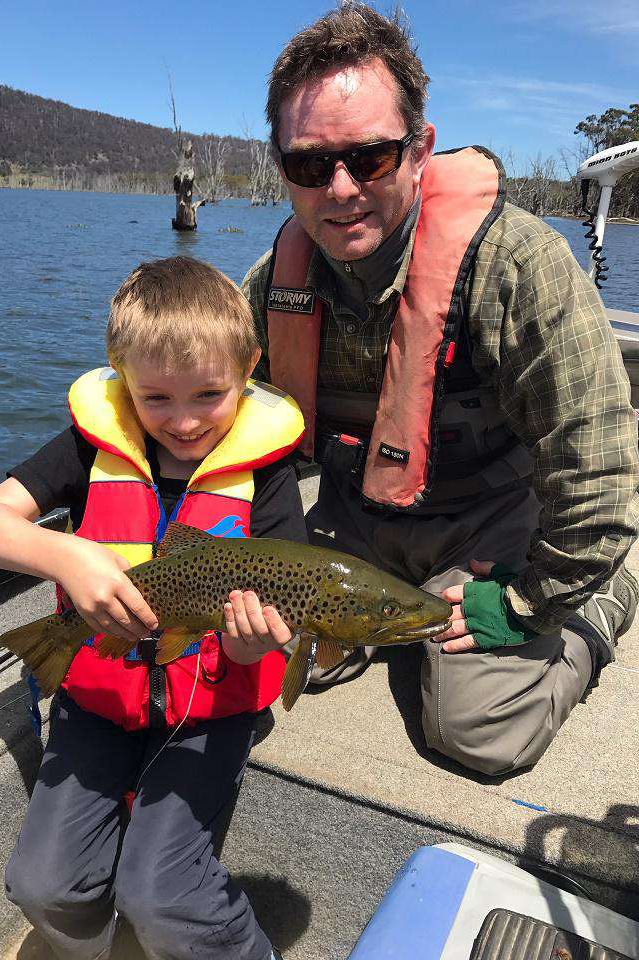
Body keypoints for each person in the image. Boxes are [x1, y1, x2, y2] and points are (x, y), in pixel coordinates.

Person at [241, 3, 639, 777]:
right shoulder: (273, 284)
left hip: (488, 518)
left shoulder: (520, 266)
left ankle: (607, 599)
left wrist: (530, 603)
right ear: (283, 165)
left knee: (477, 734)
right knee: (259, 670)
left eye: (372, 158)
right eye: (310, 165)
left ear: (420, 150)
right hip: (358, 517)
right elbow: (208, 432)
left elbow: (599, 473)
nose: (342, 187)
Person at [0, 257, 303, 960]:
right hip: (98, 698)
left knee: (161, 894)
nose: (184, 420)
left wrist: (247, 644)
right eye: (156, 399)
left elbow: (284, 617)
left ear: (249, 368)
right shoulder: (89, 448)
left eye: (209, 394)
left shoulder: (268, 476)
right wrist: (66, 556)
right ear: (120, 377)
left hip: (210, 705)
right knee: (41, 883)